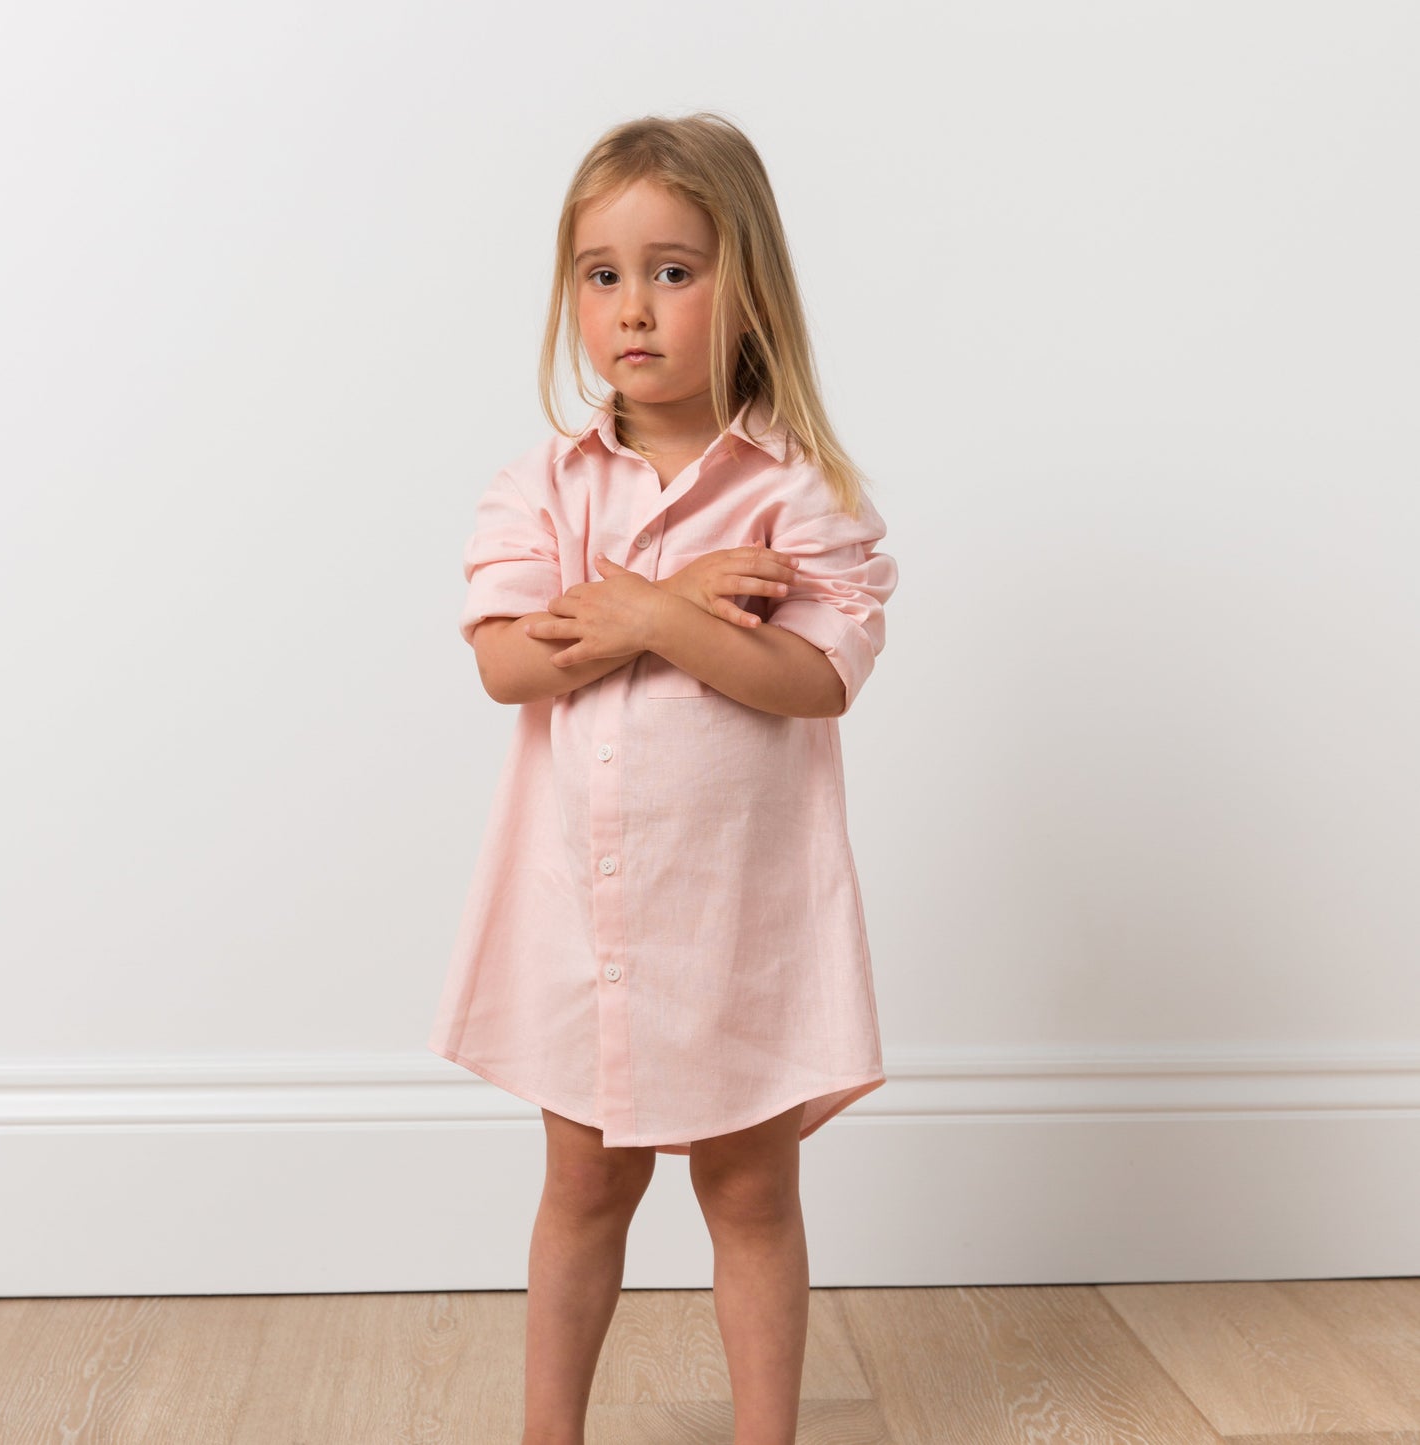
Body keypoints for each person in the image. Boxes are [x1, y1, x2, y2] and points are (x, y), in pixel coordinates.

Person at [426, 111, 899, 1445]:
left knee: (749, 1190)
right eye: (601, 273)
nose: (634, 306)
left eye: (674, 271)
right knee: (582, 1183)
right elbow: (509, 662)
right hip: (589, 921)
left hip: (736, 920)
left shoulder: (800, 497)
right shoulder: (543, 487)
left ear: (747, 291)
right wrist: (664, 595)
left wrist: (652, 620)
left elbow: (815, 677)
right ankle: (547, 1433)